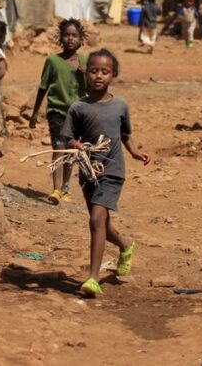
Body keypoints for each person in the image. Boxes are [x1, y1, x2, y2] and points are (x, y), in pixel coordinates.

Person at [61, 49, 150, 297]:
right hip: (89, 172)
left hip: (112, 171)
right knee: (102, 224)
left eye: (105, 71)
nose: (98, 76)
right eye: (94, 70)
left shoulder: (120, 105)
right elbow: (67, 137)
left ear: (113, 74)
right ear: (86, 72)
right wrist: (76, 146)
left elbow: (124, 135)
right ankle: (125, 244)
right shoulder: (78, 108)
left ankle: (92, 278)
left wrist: (134, 152)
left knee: (96, 220)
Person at [30, 19, 87, 205]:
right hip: (57, 111)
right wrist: (35, 112)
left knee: (72, 151)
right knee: (59, 147)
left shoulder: (85, 62)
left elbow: (93, 89)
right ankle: (55, 189)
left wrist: (86, 73)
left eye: (74, 35)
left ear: (81, 39)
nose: (70, 39)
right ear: (61, 38)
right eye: (67, 35)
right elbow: (43, 87)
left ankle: (65, 189)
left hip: (78, 113)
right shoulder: (53, 61)